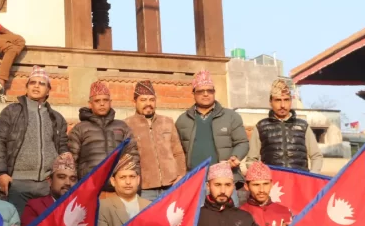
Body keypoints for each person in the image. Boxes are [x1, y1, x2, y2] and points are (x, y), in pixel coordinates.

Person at [0, 65, 69, 215]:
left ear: (48, 90)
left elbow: (63, 149)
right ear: (26, 87)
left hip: (47, 185)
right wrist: (1, 173)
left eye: (41, 83)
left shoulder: (57, 118)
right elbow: (0, 142)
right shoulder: (12, 111)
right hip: (17, 183)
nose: (36, 86)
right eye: (33, 82)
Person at [175, 69, 249, 205]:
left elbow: (242, 142)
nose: (205, 94)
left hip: (224, 181)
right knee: (198, 217)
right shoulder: (182, 120)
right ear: (193, 93)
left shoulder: (231, 117)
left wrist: (235, 156)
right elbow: (177, 151)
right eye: (200, 91)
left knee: (228, 216)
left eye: (210, 91)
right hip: (194, 182)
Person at [124, 80, 186, 201]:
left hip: (171, 185)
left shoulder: (167, 122)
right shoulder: (127, 125)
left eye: (152, 100)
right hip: (144, 189)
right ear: (134, 101)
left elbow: (178, 152)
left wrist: (181, 175)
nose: (148, 103)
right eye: (143, 100)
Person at [244, 78, 323, 173]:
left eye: (286, 100)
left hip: (299, 179)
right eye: (278, 100)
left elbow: (316, 156)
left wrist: (311, 176)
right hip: (272, 179)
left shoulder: (303, 126)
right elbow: (251, 160)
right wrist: (261, 176)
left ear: (291, 101)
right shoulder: (261, 127)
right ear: (270, 102)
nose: (282, 105)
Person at [67, 80, 139, 181]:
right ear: (90, 104)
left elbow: (133, 156)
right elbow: (71, 161)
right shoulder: (80, 128)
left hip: (118, 185)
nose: (102, 104)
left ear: (110, 102)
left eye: (105, 100)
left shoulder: (122, 127)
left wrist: (133, 181)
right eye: (97, 101)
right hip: (90, 184)